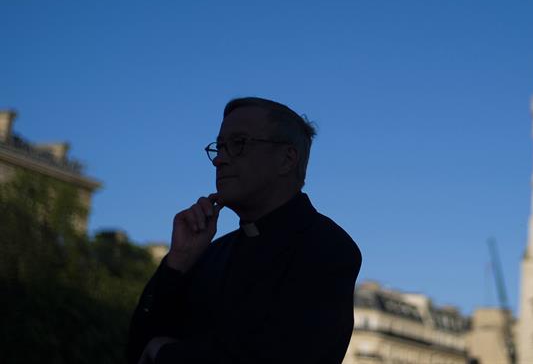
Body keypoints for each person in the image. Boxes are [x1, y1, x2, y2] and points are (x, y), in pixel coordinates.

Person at [128, 97, 362, 364]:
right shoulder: (209, 252)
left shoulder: (328, 248)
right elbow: (137, 348)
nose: (219, 161)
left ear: (287, 159)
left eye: (239, 144)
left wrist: (165, 353)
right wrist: (177, 263)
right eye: (220, 147)